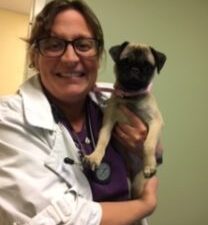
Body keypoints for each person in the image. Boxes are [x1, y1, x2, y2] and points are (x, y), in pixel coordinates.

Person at [0, 0, 162, 225]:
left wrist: (151, 149)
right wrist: (144, 205)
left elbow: (153, 151)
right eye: (54, 44)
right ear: (34, 56)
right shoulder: (8, 119)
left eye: (83, 45)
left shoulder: (109, 102)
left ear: (98, 56)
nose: (70, 58)